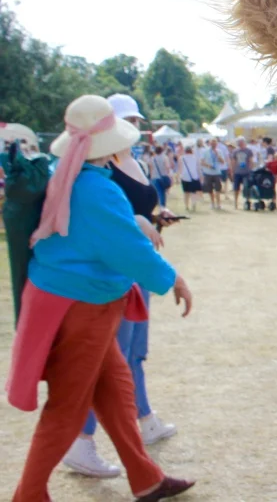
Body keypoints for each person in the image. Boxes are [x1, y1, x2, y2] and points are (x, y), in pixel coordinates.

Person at [8, 95, 195, 501]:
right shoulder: (96, 188)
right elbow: (127, 248)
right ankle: (29, 495)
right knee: (69, 406)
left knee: (115, 390)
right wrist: (173, 278)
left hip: (71, 302)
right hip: (82, 307)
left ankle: (146, 477)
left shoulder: (70, 173)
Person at [200, 138, 228, 210]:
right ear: (210, 144)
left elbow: (222, 162)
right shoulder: (205, 152)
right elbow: (202, 162)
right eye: (212, 143)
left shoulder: (219, 151)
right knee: (210, 189)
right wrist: (208, 165)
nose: (213, 145)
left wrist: (218, 155)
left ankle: (218, 204)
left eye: (215, 144)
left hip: (217, 172)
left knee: (218, 189)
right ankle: (212, 203)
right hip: (208, 172)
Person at [230, 138, 255, 209]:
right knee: (236, 188)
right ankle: (236, 202)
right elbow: (233, 161)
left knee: (247, 187)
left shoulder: (248, 151)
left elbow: (251, 161)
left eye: (241, 143)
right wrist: (232, 170)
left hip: (246, 172)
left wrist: (250, 169)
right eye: (239, 143)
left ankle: (247, 201)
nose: (240, 144)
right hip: (237, 172)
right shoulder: (235, 151)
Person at [177, 145, 202, 211]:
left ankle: (186, 206)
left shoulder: (181, 158)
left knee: (186, 192)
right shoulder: (195, 158)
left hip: (185, 177)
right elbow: (198, 168)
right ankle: (193, 204)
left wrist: (178, 176)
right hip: (194, 176)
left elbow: (180, 168)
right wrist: (200, 176)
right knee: (193, 192)